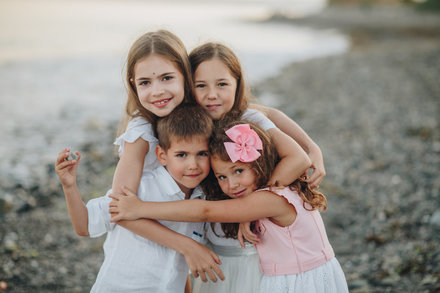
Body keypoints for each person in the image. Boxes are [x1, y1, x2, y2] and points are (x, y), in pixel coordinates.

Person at [55, 30, 224, 292]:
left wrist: (310, 151)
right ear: (133, 84)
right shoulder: (141, 132)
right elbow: (120, 210)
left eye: (167, 78)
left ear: (185, 77)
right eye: (145, 82)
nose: (157, 91)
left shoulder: (196, 126)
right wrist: (188, 246)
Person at [109, 120, 349, 293]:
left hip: (298, 282)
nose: (232, 184)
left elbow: (205, 210)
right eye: (222, 177)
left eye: (238, 171)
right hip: (310, 275)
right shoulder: (279, 189)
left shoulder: (272, 199)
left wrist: (140, 208)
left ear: (261, 161)